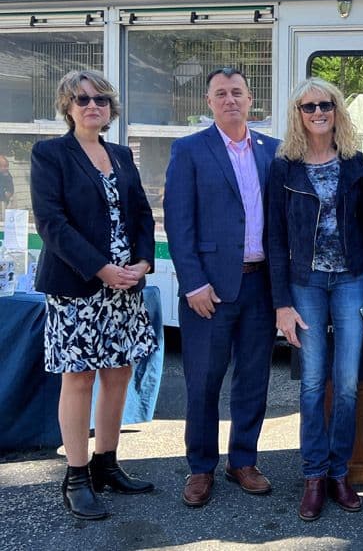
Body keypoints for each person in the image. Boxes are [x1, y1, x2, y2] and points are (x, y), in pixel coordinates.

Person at [30, 70, 156, 520]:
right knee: (79, 377)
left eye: (100, 99)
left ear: (110, 108)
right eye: (82, 99)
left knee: (119, 371)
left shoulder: (120, 154)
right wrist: (102, 269)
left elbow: (142, 213)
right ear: (67, 106)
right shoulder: (50, 154)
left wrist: (142, 262)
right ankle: (77, 476)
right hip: (78, 284)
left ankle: (107, 463)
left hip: (125, 285)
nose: (92, 106)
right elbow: (51, 223)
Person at [164, 66, 279, 508]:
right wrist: (192, 282)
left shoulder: (272, 151)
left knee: (253, 380)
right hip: (208, 290)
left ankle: (243, 461)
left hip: (260, 286)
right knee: (203, 383)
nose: (230, 99)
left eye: (237, 92)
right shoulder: (190, 149)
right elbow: (179, 221)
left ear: (251, 100)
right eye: (220, 93)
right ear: (209, 103)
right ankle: (200, 467)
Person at [267, 77, 363, 521]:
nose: (318, 113)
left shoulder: (354, 162)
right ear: (298, 114)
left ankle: (339, 473)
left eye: (325, 105)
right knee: (313, 383)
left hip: (353, 278)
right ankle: (314, 476)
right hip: (306, 282)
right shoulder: (285, 166)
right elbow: (274, 237)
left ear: (337, 111)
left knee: (347, 383)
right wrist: (281, 303)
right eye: (309, 106)